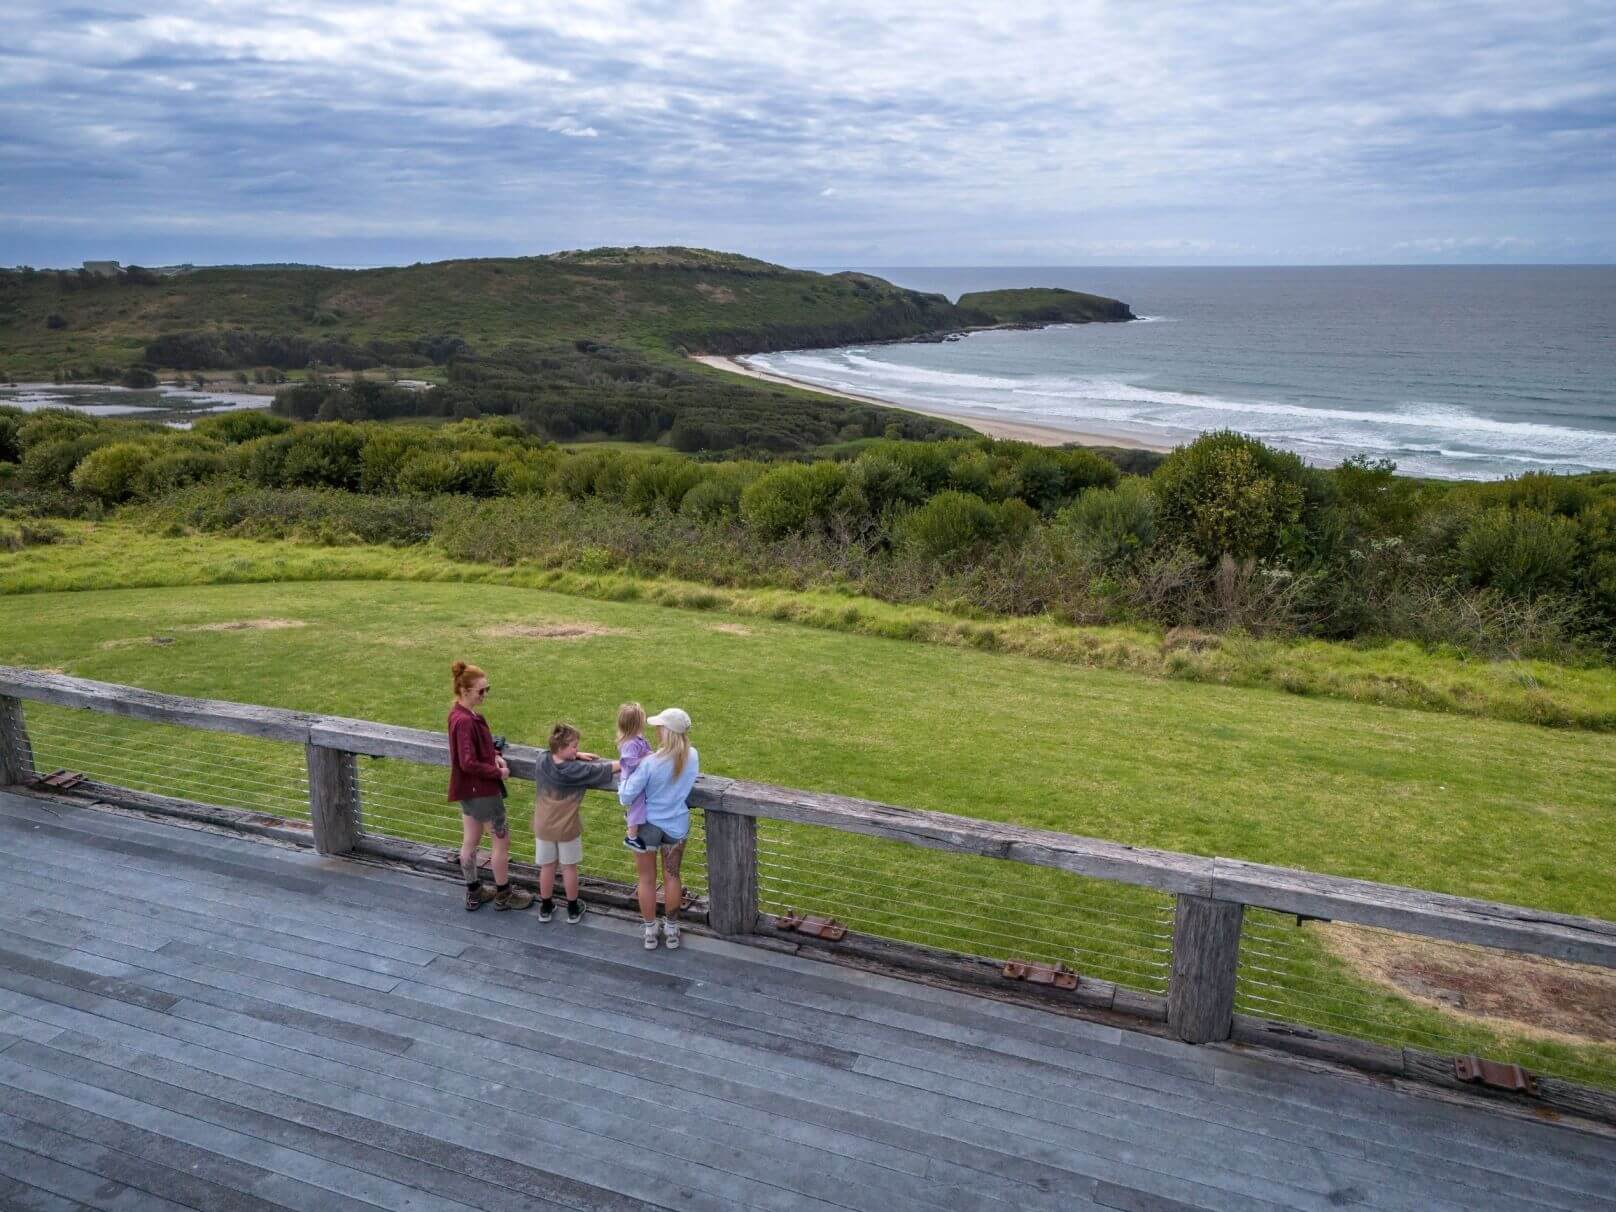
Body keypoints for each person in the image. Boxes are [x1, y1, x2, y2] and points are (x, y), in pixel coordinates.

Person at [446, 661, 532, 912]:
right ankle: (504, 893)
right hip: (482, 791)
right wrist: (499, 772)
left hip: (467, 791)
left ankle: (474, 892)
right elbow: (468, 761)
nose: (485, 695)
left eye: (487, 689)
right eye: (480, 691)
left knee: (470, 840)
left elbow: (472, 752)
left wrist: (493, 752)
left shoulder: (459, 714)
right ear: (464, 691)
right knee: (501, 843)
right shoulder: (466, 721)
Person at [618, 707, 699, 950]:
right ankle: (672, 929)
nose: (655, 730)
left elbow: (625, 796)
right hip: (677, 824)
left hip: (647, 826)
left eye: (660, 727)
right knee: (672, 876)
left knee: (646, 879)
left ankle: (650, 931)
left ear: (667, 731)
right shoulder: (693, 755)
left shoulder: (650, 763)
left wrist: (624, 774)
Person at [533, 722, 619, 923]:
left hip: (543, 826)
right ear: (562, 748)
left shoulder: (542, 760)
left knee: (547, 867)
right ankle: (573, 908)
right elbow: (606, 769)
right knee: (569, 867)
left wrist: (573, 755)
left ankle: (545, 908)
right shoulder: (577, 771)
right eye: (574, 747)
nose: (577, 749)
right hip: (567, 828)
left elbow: (550, 753)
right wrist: (632, 760)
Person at [617, 702, 651, 852]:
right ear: (636, 724)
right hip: (633, 782)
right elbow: (630, 762)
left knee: (644, 800)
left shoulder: (636, 738)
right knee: (639, 803)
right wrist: (646, 759)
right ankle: (631, 838)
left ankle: (631, 815)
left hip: (638, 779)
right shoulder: (630, 744)